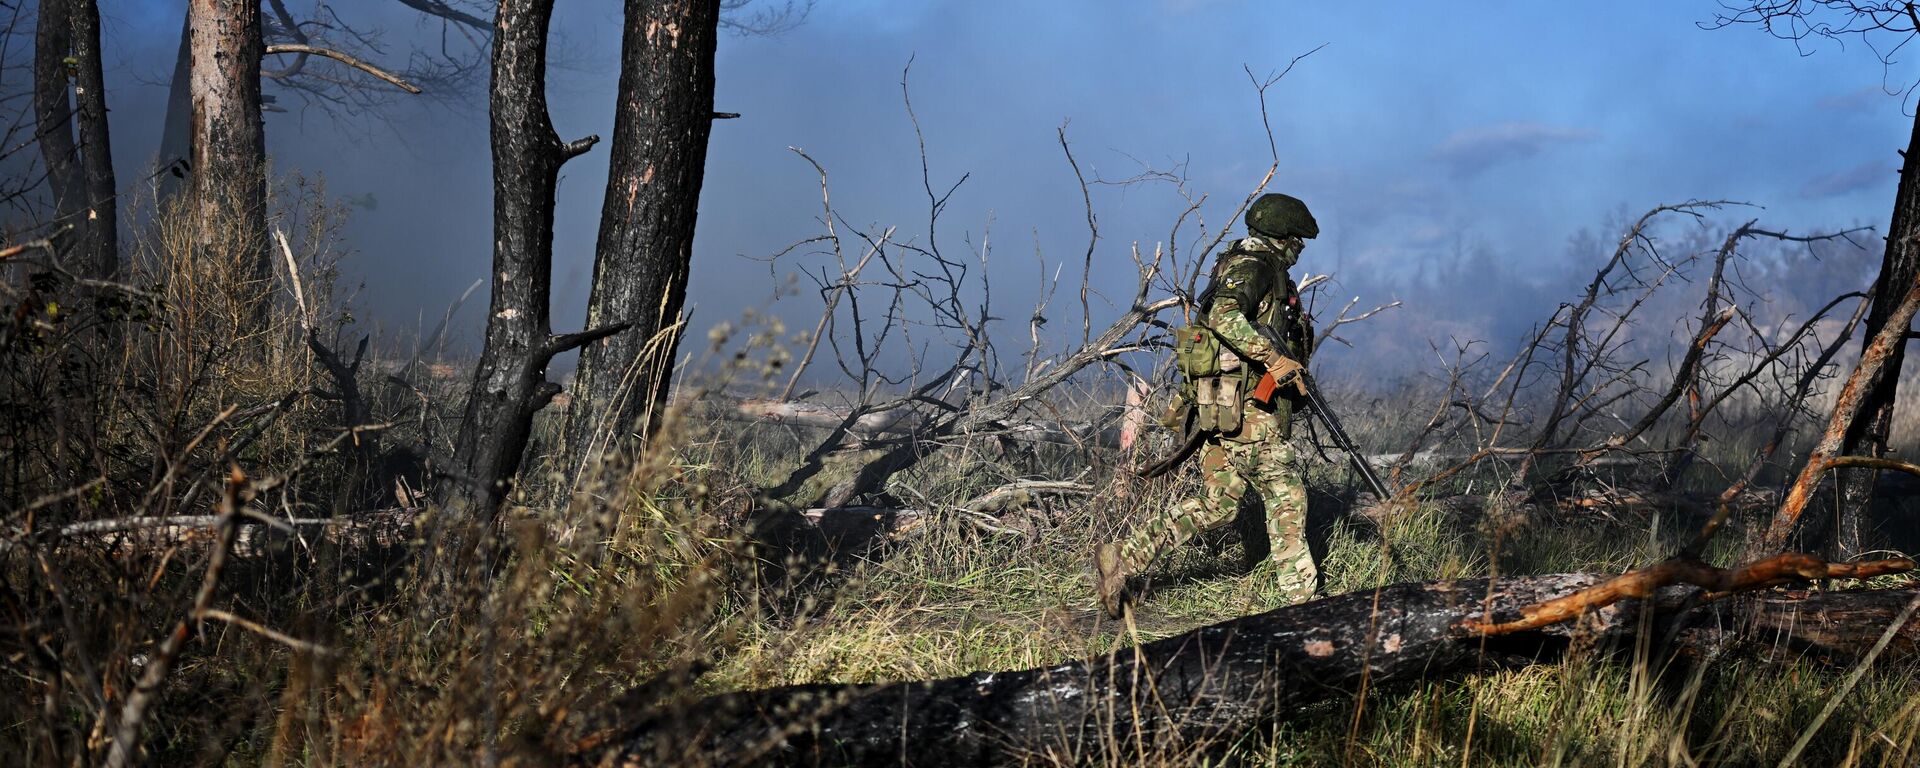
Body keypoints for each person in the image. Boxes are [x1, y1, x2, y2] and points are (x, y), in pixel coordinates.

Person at [1094, 192, 1319, 618]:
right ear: (1283, 237)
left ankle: (1122, 558)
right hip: (1248, 410)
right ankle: (1302, 610)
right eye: (1297, 240)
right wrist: (1272, 358)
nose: (1300, 249)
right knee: (1284, 492)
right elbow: (1221, 316)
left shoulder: (1238, 264)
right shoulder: (1255, 266)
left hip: (1222, 405)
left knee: (1221, 503)